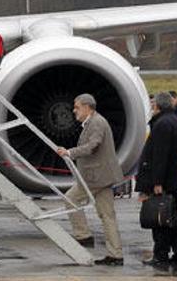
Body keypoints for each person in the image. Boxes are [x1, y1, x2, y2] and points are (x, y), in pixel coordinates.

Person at [56, 94, 124, 266]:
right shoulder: (92, 123)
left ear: (87, 107)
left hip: (96, 178)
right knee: (107, 216)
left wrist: (70, 152)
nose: (74, 110)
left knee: (70, 198)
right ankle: (115, 255)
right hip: (101, 177)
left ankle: (83, 236)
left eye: (77, 107)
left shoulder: (97, 123)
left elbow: (93, 145)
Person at [136, 92, 177, 267]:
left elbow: (160, 155)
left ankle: (161, 254)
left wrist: (157, 182)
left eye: (152, 104)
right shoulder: (174, 121)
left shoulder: (162, 124)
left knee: (160, 219)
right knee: (172, 218)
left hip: (162, 181)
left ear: (158, 106)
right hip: (171, 179)